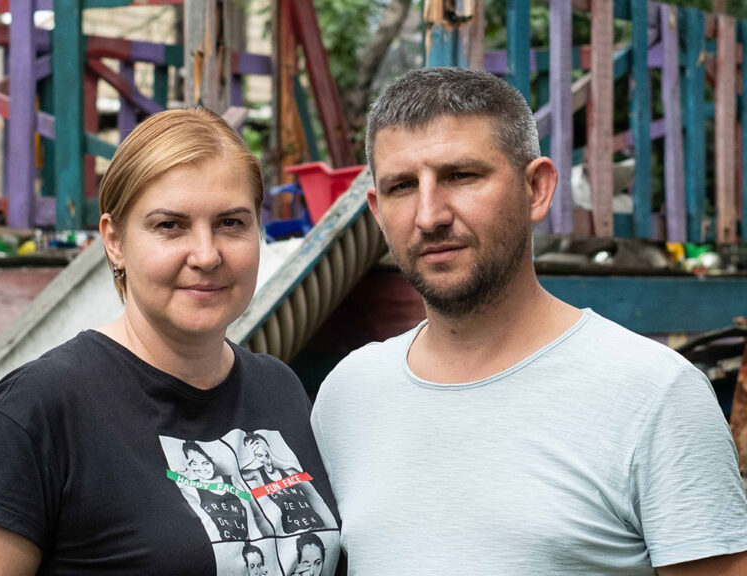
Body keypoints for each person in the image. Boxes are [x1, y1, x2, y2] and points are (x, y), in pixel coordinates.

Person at [310, 67, 747, 575]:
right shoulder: (347, 395)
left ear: (537, 188)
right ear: (378, 212)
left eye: (461, 176)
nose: (429, 215)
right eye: (402, 186)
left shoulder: (655, 394)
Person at [0, 107, 339, 575]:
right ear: (115, 241)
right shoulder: (38, 412)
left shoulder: (279, 388)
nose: (207, 255)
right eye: (170, 225)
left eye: (232, 223)